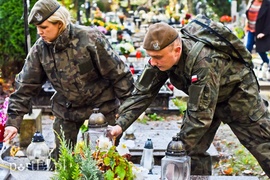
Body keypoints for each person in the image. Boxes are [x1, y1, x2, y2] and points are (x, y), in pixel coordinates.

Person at [108, 22, 270, 177]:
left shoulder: (203, 61)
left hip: (238, 97)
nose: (153, 62)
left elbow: (200, 117)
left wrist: (174, 152)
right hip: (203, 99)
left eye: (157, 57)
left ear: (177, 50)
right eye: (150, 57)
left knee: (263, 147)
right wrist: (119, 125)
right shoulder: (161, 59)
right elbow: (142, 94)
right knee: (191, 152)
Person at [4, 0, 134, 170]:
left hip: (102, 107)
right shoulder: (40, 50)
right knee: (62, 162)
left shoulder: (90, 38)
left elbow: (119, 75)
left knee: (103, 162)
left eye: (44, 27)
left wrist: (125, 115)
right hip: (67, 108)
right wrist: (13, 122)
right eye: (37, 27)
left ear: (59, 23)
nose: (39, 32)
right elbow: (25, 86)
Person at [245, 0, 270, 68]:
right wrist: (247, 25)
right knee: (248, 48)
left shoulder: (267, 4)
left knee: (261, 50)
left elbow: (269, 20)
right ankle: (246, 65)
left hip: (261, 31)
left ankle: (267, 63)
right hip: (251, 30)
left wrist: (264, 33)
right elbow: (249, 14)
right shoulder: (252, 1)